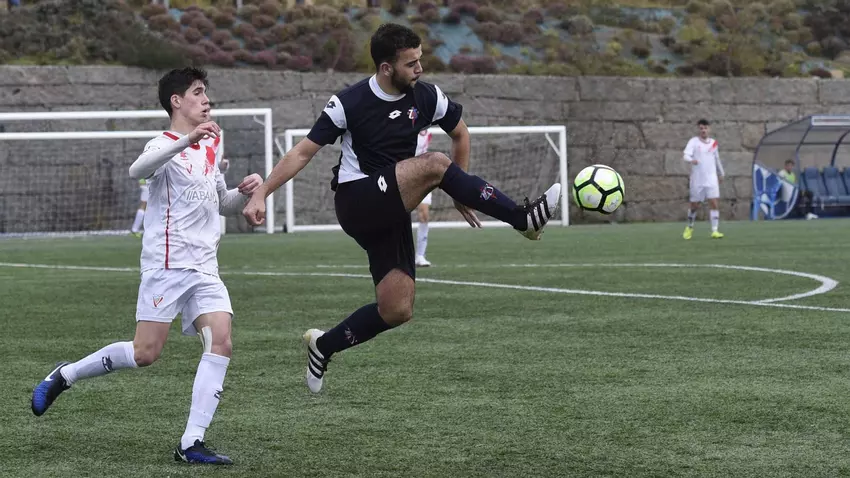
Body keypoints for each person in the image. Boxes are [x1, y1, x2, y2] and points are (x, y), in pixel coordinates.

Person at [242, 23, 561, 394]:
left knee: (397, 309)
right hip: (358, 200)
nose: (419, 69)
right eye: (411, 63)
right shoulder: (349, 102)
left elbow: (461, 133)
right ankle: (522, 219)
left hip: (392, 209)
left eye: (420, 60)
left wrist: (462, 190)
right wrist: (262, 192)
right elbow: (302, 152)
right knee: (434, 163)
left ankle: (323, 346)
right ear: (386, 68)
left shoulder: (427, 96)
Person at [31, 67, 263, 466]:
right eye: (198, 92)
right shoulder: (163, 144)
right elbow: (137, 171)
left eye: (206, 92)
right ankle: (66, 374)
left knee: (221, 341)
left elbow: (222, 204)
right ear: (177, 101)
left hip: (205, 266)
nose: (206, 99)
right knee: (145, 353)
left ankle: (191, 442)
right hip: (167, 265)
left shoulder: (211, 144)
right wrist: (186, 140)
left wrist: (245, 193)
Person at [682, 119, 725, 240]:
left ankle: (715, 230)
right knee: (694, 205)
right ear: (698, 129)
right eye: (701, 128)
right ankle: (689, 227)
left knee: (714, 202)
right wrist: (692, 160)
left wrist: (721, 173)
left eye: (705, 128)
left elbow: (716, 158)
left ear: (709, 129)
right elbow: (685, 155)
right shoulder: (693, 142)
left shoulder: (714, 143)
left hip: (711, 178)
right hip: (697, 179)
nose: (703, 130)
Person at [414, 128, 433, 267]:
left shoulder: (428, 133)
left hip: (422, 177)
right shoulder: (408, 128)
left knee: (424, 214)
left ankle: (420, 255)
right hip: (404, 174)